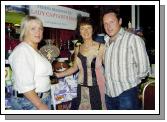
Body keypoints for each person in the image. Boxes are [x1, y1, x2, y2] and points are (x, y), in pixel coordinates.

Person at [103, 9, 150, 110]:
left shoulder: (133, 39)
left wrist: (130, 84)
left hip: (127, 93)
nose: (108, 26)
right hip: (109, 94)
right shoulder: (105, 42)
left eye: (112, 22)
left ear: (120, 21)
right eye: (105, 24)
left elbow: (144, 70)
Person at [54, 17, 105, 110]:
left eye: (88, 28)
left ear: (93, 30)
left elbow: (108, 69)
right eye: (82, 28)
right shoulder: (78, 48)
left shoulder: (101, 47)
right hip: (81, 87)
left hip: (96, 88)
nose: (85, 31)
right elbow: (74, 68)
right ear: (79, 32)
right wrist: (58, 74)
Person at [8, 16, 53, 110]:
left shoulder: (36, 50)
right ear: (24, 31)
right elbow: (25, 85)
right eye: (33, 29)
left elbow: (40, 73)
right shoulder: (23, 51)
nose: (38, 32)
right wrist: (40, 105)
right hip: (30, 103)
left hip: (39, 99)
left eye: (40, 29)